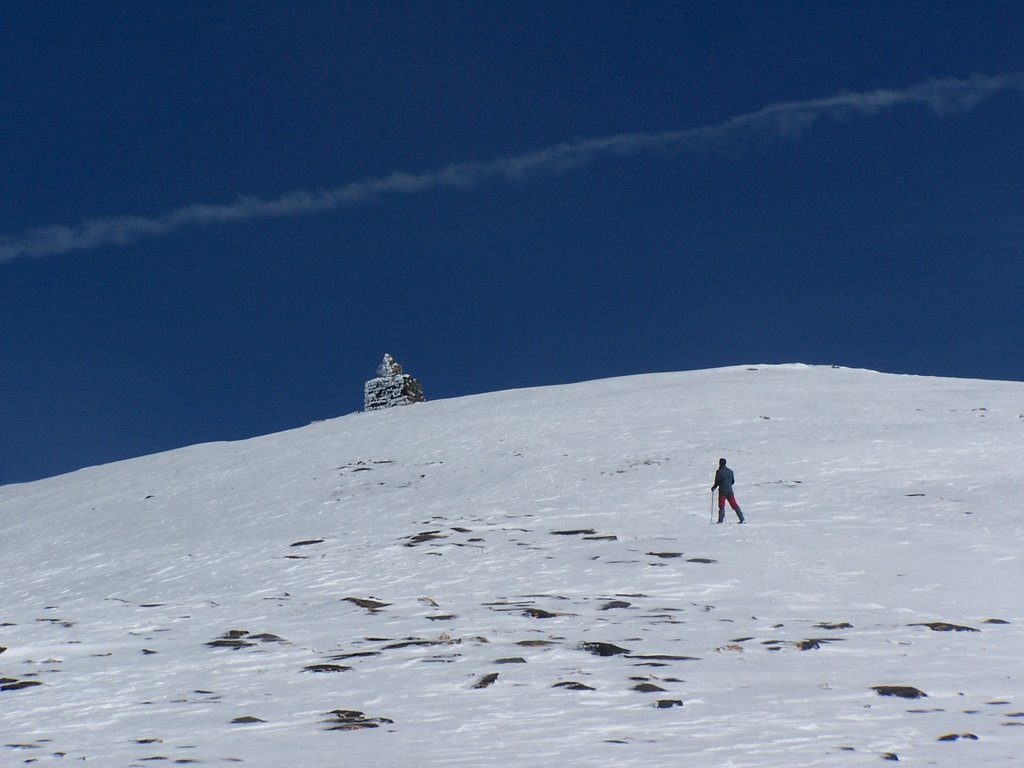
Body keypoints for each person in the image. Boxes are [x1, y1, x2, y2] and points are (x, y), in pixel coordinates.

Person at [711, 458, 745, 524]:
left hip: (722, 491)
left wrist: (714, 487)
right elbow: (732, 482)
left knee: (721, 506)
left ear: (720, 463)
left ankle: (720, 521)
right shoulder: (730, 471)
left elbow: (717, 481)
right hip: (730, 491)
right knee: (734, 505)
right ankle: (742, 519)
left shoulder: (719, 471)